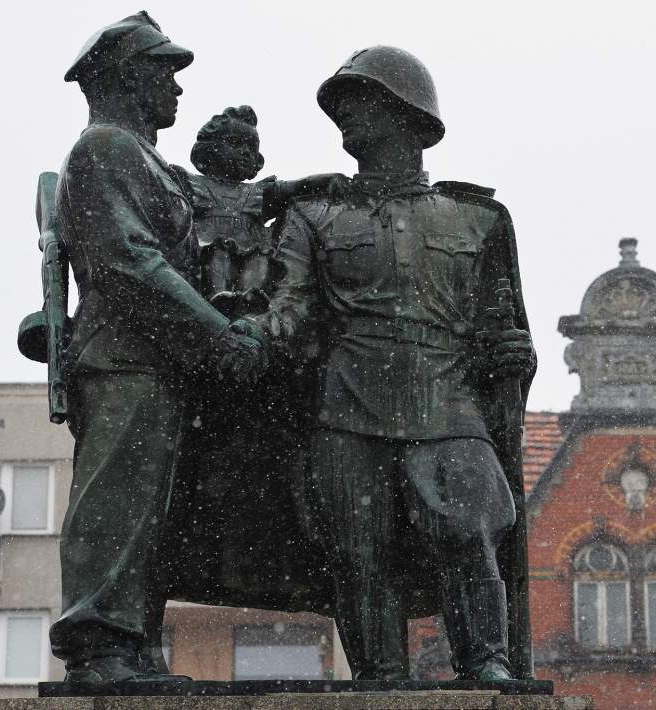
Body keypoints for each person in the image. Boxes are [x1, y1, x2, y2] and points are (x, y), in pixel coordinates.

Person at [255, 46, 536, 681]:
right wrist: (250, 332)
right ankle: (382, 677)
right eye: (339, 106)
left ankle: (485, 663)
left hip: (449, 403)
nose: (343, 117)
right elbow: (291, 305)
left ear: (406, 113)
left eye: (359, 102)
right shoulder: (313, 213)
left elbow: (505, 327)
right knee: (359, 553)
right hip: (347, 405)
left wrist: (517, 358)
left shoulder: (479, 218)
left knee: (471, 531)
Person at [48, 11, 265, 685]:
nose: (175, 88)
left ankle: (133, 642)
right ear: (123, 78)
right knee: (118, 500)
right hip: (124, 360)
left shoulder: (145, 159)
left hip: (159, 366)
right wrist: (215, 329)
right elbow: (129, 262)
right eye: (161, 73)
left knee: (152, 511)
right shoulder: (104, 149)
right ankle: (98, 643)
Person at [176, 105, 338, 318]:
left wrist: (326, 180)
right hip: (204, 248)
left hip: (251, 246)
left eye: (251, 148)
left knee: (261, 257)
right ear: (209, 150)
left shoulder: (258, 191)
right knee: (218, 251)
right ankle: (218, 297)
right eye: (236, 143)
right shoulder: (191, 183)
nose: (245, 152)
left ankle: (252, 299)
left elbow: (295, 187)